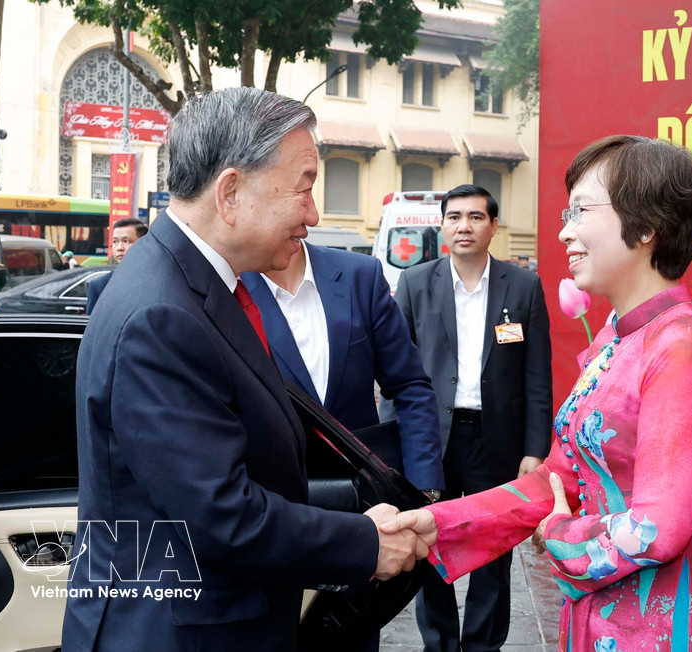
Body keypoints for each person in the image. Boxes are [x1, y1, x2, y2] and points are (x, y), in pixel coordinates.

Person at [63, 87, 427, 651]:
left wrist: (361, 510)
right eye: (304, 185)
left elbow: (249, 463)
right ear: (230, 191)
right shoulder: (162, 313)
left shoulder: (194, 287)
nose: (314, 212)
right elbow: (222, 515)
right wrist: (364, 543)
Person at [382, 136, 692, 651]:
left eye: (581, 211)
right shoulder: (618, 337)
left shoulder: (684, 347)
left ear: (646, 226)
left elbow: (657, 528)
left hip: (666, 632)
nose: (565, 231)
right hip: (599, 622)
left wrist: (558, 534)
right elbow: (560, 478)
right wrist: (438, 523)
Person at [241, 235, 445, 652]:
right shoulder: (231, 285)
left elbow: (409, 385)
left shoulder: (359, 276)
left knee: (352, 635)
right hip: (275, 511)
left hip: (361, 509)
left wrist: (424, 489)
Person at [384, 183, 553, 652]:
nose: (464, 226)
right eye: (454, 217)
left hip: (496, 441)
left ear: (493, 226)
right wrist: (397, 444)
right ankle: (438, 644)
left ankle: (482, 646)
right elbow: (395, 373)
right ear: (442, 225)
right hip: (430, 439)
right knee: (429, 545)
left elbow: (537, 376)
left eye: (476, 217)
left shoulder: (522, 286)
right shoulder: (416, 284)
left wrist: (534, 451)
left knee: (493, 553)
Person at [85, 217, 148, 314]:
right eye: (115, 241)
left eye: (126, 241)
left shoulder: (157, 282)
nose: (119, 248)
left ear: (143, 244)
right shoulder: (100, 286)